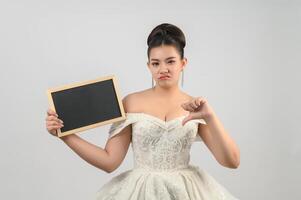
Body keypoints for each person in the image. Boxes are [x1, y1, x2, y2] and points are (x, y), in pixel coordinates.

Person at [45, 23, 240, 199]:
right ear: (149, 66)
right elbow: (109, 162)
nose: (163, 68)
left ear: (183, 63)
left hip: (187, 191)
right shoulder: (131, 102)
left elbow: (232, 161)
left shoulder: (196, 106)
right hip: (141, 191)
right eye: (156, 63)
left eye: (170, 61)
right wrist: (65, 135)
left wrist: (210, 117)